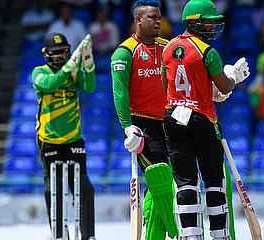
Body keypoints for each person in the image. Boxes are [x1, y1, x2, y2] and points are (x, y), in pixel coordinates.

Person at [162, 0, 250, 239]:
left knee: (185, 182)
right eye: (208, 23)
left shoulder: (167, 49)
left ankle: (190, 234)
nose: (212, 28)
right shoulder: (207, 51)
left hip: (172, 119)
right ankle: (219, 234)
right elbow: (222, 86)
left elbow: (168, 88)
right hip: (202, 119)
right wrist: (234, 77)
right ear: (194, 22)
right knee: (214, 180)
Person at [110, 1, 179, 239]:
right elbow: (119, 92)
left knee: (160, 185)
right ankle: (175, 230)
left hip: (169, 121)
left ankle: (154, 235)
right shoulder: (125, 51)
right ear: (138, 20)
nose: (159, 21)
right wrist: (127, 127)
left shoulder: (167, 47)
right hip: (142, 124)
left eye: (159, 17)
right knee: (160, 174)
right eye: (152, 17)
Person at [32, 32, 96, 240]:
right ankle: (59, 233)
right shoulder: (38, 72)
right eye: (55, 53)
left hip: (74, 139)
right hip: (48, 140)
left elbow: (90, 87)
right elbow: (49, 85)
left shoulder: (73, 71)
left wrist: (88, 64)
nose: (60, 57)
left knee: (84, 187)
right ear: (46, 54)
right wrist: (69, 68)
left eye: (64, 52)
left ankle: (88, 235)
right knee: (54, 188)